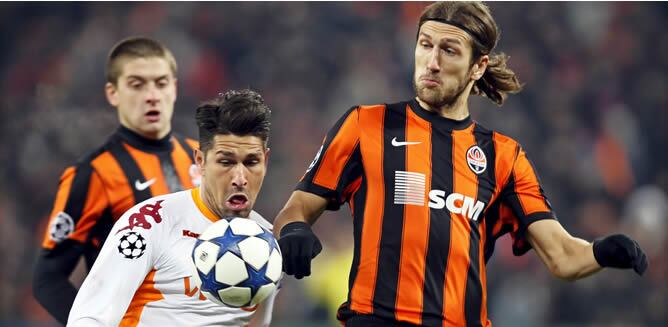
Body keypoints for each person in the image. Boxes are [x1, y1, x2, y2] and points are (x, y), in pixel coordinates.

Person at [273, 2, 648, 327]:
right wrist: (293, 230)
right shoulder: (366, 125)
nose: (432, 62)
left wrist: (601, 252)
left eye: (449, 51)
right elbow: (297, 208)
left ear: (477, 67)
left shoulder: (503, 157)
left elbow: (562, 256)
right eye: (425, 45)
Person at [68, 89, 276, 326]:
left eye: (251, 162)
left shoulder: (268, 243)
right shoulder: (149, 224)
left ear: (265, 162)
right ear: (200, 160)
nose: (240, 177)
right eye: (226, 162)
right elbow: (89, 318)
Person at [33, 37, 199, 325]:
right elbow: (48, 277)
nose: (151, 95)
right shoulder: (93, 174)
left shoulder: (205, 160)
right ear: (113, 93)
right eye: (137, 85)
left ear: (174, 88)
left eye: (161, 83)